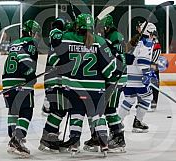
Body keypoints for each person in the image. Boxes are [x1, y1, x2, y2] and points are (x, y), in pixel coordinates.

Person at [44, 13, 121, 156]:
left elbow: (54, 59)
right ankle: (103, 143)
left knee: (77, 113)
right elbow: (109, 69)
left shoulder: (67, 38)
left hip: (73, 87)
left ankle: (74, 143)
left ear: (77, 26)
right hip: (95, 88)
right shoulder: (99, 41)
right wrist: (113, 75)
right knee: (98, 115)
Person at [83, 14, 127, 152]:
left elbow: (118, 57)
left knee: (109, 109)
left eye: (102, 28)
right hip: (112, 77)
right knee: (101, 109)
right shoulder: (110, 37)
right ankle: (97, 136)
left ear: (107, 27)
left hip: (116, 77)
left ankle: (119, 138)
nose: (100, 31)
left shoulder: (115, 36)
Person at [2, 20, 41, 158]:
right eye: (36, 34)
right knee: (26, 110)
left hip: (7, 82)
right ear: (32, 32)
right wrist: (31, 76)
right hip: (20, 84)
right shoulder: (29, 43)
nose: (37, 37)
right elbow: (25, 63)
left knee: (13, 110)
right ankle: (17, 139)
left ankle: (12, 138)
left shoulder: (15, 43)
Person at [118, 22, 158, 133]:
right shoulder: (147, 42)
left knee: (129, 99)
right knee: (147, 98)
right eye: (153, 33)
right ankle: (138, 123)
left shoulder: (135, 42)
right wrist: (147, 73)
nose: (154, 36)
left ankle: (118, 123)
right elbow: (142, 60)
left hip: (128, 78)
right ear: (149, 33)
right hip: (138, 78)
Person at [39, 18, 68, 153]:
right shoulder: (56, 33)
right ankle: (48, 138)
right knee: (59, 110)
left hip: (56, 79)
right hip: (54, 79)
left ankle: (51, 137)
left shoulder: (58, 36)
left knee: (59, 109)